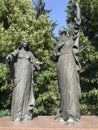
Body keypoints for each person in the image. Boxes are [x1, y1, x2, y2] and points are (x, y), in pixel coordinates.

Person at [51, 3, 81, 125]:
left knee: (70, 87)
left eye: (64, 28)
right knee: (62, 89)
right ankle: (63, 114)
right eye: (60, 29)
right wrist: (56, 50)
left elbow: (77, 27)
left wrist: (78, 10)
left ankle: (72, 116)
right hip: (61, 64)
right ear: (59, 32)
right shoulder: (57, 43)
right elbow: (53, 57)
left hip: (69, 61)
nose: (62, 29)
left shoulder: (70, 39)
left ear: (66, 31)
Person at [5, 38, 43, 122]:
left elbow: (34, 61)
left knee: (27, 93)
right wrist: (9, 57)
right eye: (24, 41)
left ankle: (26, 114)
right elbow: (11, 56)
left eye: (27, 42)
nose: (26, 43)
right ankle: (17, 115)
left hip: (28, 74)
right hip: (19, 74)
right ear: (22, 43)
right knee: (19, 93)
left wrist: (38, 63)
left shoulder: (30, 53)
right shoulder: (17, 51)